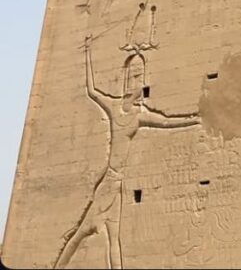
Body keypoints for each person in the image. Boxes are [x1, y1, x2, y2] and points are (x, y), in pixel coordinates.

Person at [54, 39, 199, 269]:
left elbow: (166, 122)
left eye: (140, 78)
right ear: (126, 78)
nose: (138, 83)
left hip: (118, 186)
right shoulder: (114, 107)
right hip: (108, 183)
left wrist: (192, 119)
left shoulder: (140, 114)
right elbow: (92, 92)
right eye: (133, 76)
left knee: (113, 241)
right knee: (81, 234)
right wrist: (88, 54)